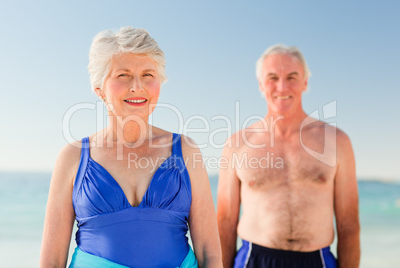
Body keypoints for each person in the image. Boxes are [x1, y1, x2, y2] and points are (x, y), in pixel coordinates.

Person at [40, 26, 222, 268]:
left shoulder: (186, 150)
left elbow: (209, 252)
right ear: (99, 89)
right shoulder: (72, 157)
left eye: (148, 75)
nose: (137, 86)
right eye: (123, 75)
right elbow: (52, 261)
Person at [217, 44, 360, 268]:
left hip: (317, 260)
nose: (282, 86)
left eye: (292, 77)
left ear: (305, 82)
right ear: (261, 84)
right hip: (254, 259)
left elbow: (349, 225)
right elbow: (225, 223)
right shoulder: (237, 144)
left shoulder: (337, 142)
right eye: (273, 77)